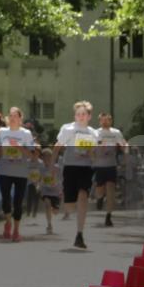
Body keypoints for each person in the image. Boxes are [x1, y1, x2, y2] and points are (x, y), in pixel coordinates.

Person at [54, 100, 99, 249]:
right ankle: (62, 200)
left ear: (89, 116)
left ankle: (79, 233)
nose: (81, 117)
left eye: (83, 114)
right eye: (78, 114)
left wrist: (91, 153)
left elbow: (94, 154)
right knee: (69, 205)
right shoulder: (67, 129)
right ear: (75, 115)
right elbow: (58, 146)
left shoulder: (93, 132)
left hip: (85, 168)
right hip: (70, 167)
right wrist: (51, 165)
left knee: (83, 195)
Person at [0, 106, 35, 242]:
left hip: (21, 172)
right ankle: (8, 222)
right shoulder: (1, 132)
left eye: (15, 116)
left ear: (20, 119)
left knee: (18, 202)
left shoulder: (26, 134)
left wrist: (18, 147)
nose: (12, 118)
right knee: (6, 198)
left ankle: (16, 230)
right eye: (10, 116)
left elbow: (31, 155)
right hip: (5, 170)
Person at [94, 112, 128, 227]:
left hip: (111, 165)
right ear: (99, 121)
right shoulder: (96, 133)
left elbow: (123, 144)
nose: (105, 122)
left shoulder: (116, 133)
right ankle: (99, 198)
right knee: (100, 189)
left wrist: (125, 153)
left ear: (111, 121)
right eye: (102, 120)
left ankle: (108, 216)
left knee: (111, 191)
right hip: (99, 165)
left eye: (107, 120)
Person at [39, 148, 62, 234]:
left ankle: (54, 208)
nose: (46, 159)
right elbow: (39, 178)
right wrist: (38, 186)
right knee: (47, 204)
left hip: (56, 191)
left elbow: (61, 179)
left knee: (55, 212)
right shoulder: (41, 168)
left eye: (48, 157)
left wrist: (61, 190)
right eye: (44, 157)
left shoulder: (57, 168)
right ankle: (49, 224)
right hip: (46, 190)